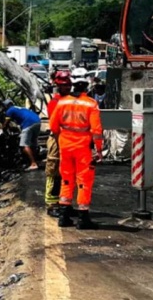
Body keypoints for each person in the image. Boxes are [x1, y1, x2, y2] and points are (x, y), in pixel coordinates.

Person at [49, 73, 103, 230]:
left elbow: (53, 127)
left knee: (66, 180)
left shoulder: (62, 102)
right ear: (86, 87)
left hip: (65, 147)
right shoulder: (91, 104)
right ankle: (83, 218)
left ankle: (64, 216)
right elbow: (97, 130)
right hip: (83, 148)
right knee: (83, 181)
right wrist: (98, 150)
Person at [44, 71, 72, 217]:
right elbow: (55, 127)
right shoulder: (55, 103)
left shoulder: (70, 101)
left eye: (68, 85)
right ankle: (51, 204)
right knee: (54, 170)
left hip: (69, 140)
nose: (68, 88)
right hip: (57, 139)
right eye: (64, 86)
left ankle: (64, 202)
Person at [3, 99, 42, 171]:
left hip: (28, 124)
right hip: (37, 121)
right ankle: (36, 160)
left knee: (24, 145)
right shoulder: (19, 108)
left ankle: (33, 164)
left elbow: (6, 123)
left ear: (6, 106)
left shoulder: (10, 110)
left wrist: (4, 129)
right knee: (33, 144)